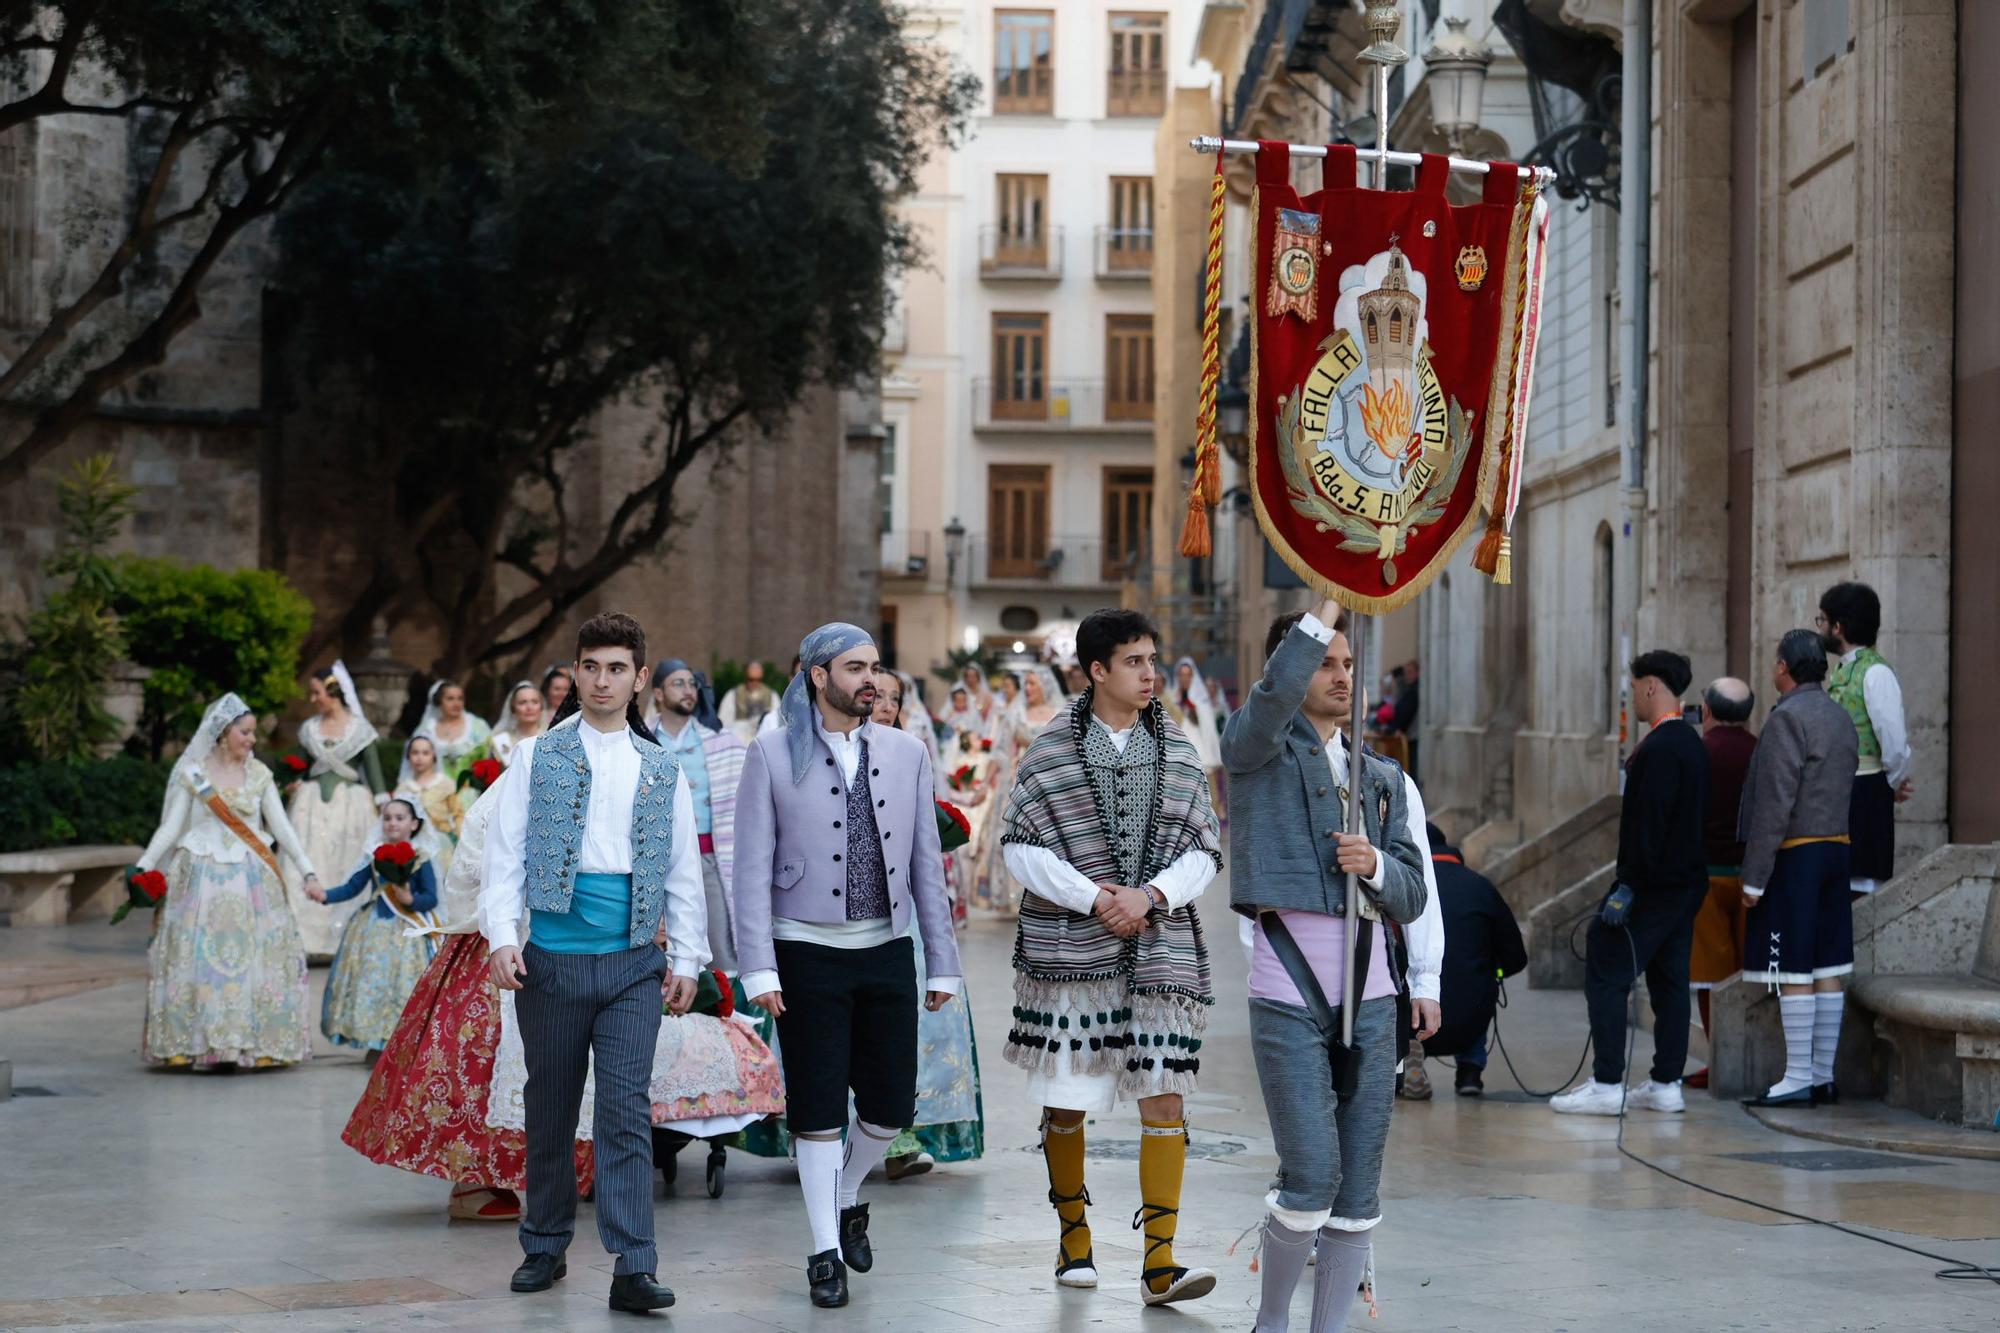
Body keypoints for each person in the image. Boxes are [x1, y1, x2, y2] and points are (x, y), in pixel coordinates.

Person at [479, 612, 708, 1314]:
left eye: (616, 668)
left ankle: (634, 1263)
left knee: (624, 1110)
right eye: (590, 666)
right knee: (548, 1106)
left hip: (634, 965)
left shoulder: (662, 766)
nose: (602, 680)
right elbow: (504, 853)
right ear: (575, 672)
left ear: (640, 678)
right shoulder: (534, 756)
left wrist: (690, 958)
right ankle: (544, 1243)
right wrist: (501, 935)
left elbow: (681, 873)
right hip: (549, 961)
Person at [732, 622, 962, 1309]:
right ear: (816, 674)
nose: (870, 678)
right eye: (855, 666)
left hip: (887, 949)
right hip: (803, 953)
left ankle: (847, 1192)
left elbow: (926, 862)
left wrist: (942, 962)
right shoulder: (770, 753)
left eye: (874, 666)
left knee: (890, 1108)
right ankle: (823, 1249)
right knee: (818, 1106)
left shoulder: (906, 751)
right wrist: (759, 967)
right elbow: (748, 871)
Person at [999, 608, 1223, 1307]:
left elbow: (1205, 848)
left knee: (1166, 1094)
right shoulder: (1049, 750)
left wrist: (1150, 896)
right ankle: (1074, 1237)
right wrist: (1097, 897)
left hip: (1160, 950)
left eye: (1153, 658)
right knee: (1067, 1099)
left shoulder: (1180, 749)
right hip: (1070, 955)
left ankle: (1161, 1262)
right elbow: (1021, 845)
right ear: (1097, 670)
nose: (1150, 671)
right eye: (1134, 660)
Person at [1223, 604, 1435, 1333]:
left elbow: (1413, 890)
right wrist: (1321, 604)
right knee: (1311, 1172)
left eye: (1348, 663)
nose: (1341, 675)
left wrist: (1374, 863)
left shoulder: (1379, 776)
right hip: (1287, 988)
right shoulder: (1255, 750)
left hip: (1374, 994)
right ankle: (1272, 1322)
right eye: (1325, 661)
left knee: (1357, 1190)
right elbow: (1270, 702)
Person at [342, 782, 596, 1223]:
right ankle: (477, 1178)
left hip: (571, 933)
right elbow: (475, 857)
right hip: (504, 934)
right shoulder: (524, 773)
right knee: (479, 1057)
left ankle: (567, 1170)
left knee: (569, 1057)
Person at [1552, 651, 1710, 1116]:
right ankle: (1665, 1084)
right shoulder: (1692, 744)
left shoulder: (1660, 749)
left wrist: (1628, 887)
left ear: (1651, 687)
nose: (1630, 694)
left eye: (1634, 683)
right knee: (1669, 980)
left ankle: (1605, 1084)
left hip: (1654, 886)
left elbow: (1648, 827)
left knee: (1606, 966)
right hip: (1685, 884)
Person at [134, 694, 324, 1068]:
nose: (252, 740)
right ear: (223, 733)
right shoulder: (194, 774)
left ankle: (257, 1043)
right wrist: (144, 865)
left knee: (255, 961)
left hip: (250, 876)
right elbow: (171, 827)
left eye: (253, 733)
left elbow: (282, 828)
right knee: (197, 959)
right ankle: (189, 1042)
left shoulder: (260, 775)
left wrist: (307, 871)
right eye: (245, 732)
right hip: (200, 875)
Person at [864, 673, 985, 1179]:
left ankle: (903, 1135)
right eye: (879, 696)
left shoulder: (910, 753)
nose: (888, 707)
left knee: (915, 1024)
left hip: (903, 909)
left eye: (896, 699)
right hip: (838, 911)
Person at [1739, 630, 1861, 1108]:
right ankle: (1822, 1075)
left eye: (1774, 661)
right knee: (1829, 963)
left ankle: (1796, 1077)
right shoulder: (1839, 716)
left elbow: (1774, 804)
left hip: (1797, 853)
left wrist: (1754, 878)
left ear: (1784, 667)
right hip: (1837, 848)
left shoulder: (1786, 719)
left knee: (1794, 963)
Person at [308, 797, 441, 1058]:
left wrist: (411, 900)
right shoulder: (374, 856)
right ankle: (375, 1041)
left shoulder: (422, 858)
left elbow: (432, 897)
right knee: (372, 983)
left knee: (402, 985)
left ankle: (402, 1041)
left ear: (414, 824)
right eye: (388, 818)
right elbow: (352, 887)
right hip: (374, 929)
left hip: (408, 934)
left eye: (399, 818)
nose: (392, 823)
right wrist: (324, 895)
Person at [648, 658, 748, 972]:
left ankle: (731, 1018)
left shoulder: (724, 742)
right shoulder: (640, 742)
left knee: (721, 946)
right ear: (659, 693)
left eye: (692, 683)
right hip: (656, 861)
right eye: (678, 683)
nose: (688, 690)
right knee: (661, 945)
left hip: (710, 860)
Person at [285, 662, 389, 960]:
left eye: (316, 692)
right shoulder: (309, 729)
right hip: (310, 805)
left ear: (332, 693)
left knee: (347, 863)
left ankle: (343, 937)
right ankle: (305, 939)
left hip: (351, 806)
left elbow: (375, 775)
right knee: (308, 860)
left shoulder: (360, 730)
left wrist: (387, 812)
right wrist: (295, 784)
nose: (312, 699)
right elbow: (307, 770)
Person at [1818, 582, 1911, 897]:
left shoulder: (1876, 673)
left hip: (1865, 792)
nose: (1821, 628)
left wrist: (1893, 782)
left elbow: (1893, 739)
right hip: (1844, 789)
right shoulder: (1845, 671)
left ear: (1839, 627)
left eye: (1823, 621)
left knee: (1862, 888)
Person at [1420, 822, 1525, 1098]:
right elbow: (1516, 956)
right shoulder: (1480, 887)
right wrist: (1493, 972)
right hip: (1470, 1017)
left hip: (1416, 1020)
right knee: (1478, 984)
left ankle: (1409, 1063)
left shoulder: (1408, 888)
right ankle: (1470, 1070)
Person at [1689, 677, 1758, 1077]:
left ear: (1709, 711)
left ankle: (1720, 1061)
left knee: (1709, 977)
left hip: (1707, 877)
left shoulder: (1699, 753)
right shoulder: (1761, 751)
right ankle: (1748, 1056)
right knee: (1748, 971)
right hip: (1752, 877)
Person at [397, 736, 464, 878]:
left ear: (433, 755)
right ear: (408, 756)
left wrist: (461, 840)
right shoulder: (403, 789)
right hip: (412, 845)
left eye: (425, 753)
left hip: (441, 842)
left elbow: (458, 814)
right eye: (415, 753)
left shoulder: (446, 785)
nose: (419, 758)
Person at [409, 679, 492, 784]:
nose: (456, 704)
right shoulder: (427, 729)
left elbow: (489, 758)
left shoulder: (478, 726)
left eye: (460, 699)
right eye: (450, 699)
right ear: (439, 701)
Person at [1170, 656, 1225, 807]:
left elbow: (1208, 730)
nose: (1184, 679)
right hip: (1177, 755)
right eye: (1181, 675)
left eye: (1188, 675)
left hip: (1199, 754)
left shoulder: (1201, 701)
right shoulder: (1172, 699)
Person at [488, 681, 547, 768]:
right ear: (513, 708)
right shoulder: (501, 740)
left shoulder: (550, 736)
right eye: (522, 702)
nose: (529, 707)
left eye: (534, 702)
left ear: (541, 706)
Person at [718, 660, 779, 743]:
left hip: (764, 743)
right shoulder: (733, 695)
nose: (755, 683)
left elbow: (777, 724)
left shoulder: (772, 695)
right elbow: (723, 724)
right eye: (751, 679)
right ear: (746, 677)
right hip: (739, 742)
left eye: (758, 680)